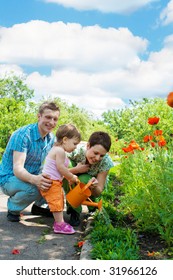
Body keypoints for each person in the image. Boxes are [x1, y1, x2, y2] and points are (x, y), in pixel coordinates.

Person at [0, 101, 60, 222]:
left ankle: (39, 207)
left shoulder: (51, 138)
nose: (51, 122)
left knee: (53, 179)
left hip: (30, 174)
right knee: (36, 188)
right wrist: (35, 180)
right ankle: (13, 209)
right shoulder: (23, 135)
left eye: (55, 119)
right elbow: (18, 169)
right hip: (9, 178)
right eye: (48, 117)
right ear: (39, 116)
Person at [63, 131, 114, 226]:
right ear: (88, 146)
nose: (98, 158)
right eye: (95, 153)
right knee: (67, 171)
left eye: (102, 155)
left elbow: (99, 190)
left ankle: (92, 208)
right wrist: (76, 170)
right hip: (74, 176)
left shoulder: (105, 162)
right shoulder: (76, 151)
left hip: (89, 185)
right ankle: (74, 210)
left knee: (84, 179)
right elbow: (59, 171)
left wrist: (94, 186)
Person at [40, 124, 81, 234]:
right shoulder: (60, 151)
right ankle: (59, 225)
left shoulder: (57, 149)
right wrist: (71, 176)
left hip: (54, 181)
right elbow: (61, 168)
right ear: (65, 139)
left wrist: (66, 177)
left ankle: (58, 222)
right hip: (51, 183)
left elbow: (58, 169)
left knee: (58, 201)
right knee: (57, 203)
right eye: (74, 143)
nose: (75, 147)